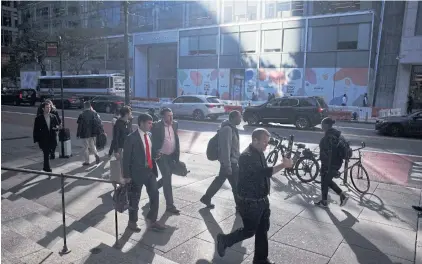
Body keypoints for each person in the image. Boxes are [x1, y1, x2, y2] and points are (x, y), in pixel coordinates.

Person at [216, 128, 293, 263]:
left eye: (267, 142)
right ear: (255, 140)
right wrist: (283, 165)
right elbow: (263, 172)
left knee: (263, 230)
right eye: (264, 142)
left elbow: (263, 173)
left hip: (262, 200)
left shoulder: (259, 152)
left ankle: (260, 259)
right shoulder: (246, 156)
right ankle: (224, 240)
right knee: (250, 230)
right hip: (249, 202)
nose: (266, 145)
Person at [122, 113, 166, 231]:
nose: (151, 125)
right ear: (141, 123)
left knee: (155, 195)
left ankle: (152, 220)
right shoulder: (131, 138)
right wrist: (126, 176)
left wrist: (155, 155)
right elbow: (125, 158)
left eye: (151, 123)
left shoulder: (150, 135)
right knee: (134, 199)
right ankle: (132, 222)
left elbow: (149, 151)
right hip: (136, 174)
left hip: (150, 171)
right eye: (149, 123)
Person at [200, 110, 242, 209]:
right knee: (236, 186)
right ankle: (240, 207)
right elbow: (225, 149)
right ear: (233, 118)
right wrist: (227, 165)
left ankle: (206, 198)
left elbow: (234, 148)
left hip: (231, 161)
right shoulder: (227, 129)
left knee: (220, 180)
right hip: (229, 162)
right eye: (239, 117)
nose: (241, 119)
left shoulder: (232, 128)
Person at [151, 107, 181, 214]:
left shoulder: (175, 124)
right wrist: (155, 152)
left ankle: (154, 188)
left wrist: (176, 156)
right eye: (169, 115)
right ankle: (170, 205)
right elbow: (151, 139)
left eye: (172, 115)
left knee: (167, 176)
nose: (171, 117)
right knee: (167, 178)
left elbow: (175, 139)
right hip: (162, 156)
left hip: (171, 156)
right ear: (163, 116)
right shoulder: (156, 126)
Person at [315, 117, 349, 208]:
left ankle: (327, 201)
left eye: (322, 125)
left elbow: (325, 154)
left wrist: (325, 167)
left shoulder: (327, 138)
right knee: (327, 181)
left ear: (326, 125)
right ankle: (329, 200)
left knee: (325, 182)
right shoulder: (338, 135)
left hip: (329, 164)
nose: (321, 127)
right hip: (337, 163)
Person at [33, 102, 60, 173]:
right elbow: (36, 130)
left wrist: (56, 128)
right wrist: (36, 140)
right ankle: (47, 168)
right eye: (47, 108)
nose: (49, 109)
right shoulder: (38, 118)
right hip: (44, 139)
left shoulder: (53, 116)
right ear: (43, 109)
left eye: (50, 107)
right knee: (46, 153)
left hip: (52, 138)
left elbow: (57, 126)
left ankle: (46, 166)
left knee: (50, 151)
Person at [77, 101, 101, 166]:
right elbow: (98, 122)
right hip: (93, 133)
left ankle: (87, 161)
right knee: (92, 146)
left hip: (84, 133)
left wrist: (78, 134)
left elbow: (80, 125)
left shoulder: (82, 114)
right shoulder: (94, 113)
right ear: (90, 106)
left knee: (85, 148)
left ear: (84, 106)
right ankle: (96, 155)